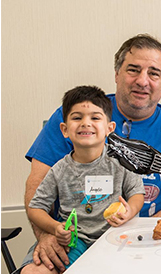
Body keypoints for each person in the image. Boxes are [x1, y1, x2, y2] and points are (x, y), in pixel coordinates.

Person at [22, 34, 161, 273]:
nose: (142, 81)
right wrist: (46, 234)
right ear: (117, 74)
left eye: (154, 73)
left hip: (144, 242)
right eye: (133, 70)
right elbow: (36, 183)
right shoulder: (75, 116)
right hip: (70, 238)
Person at [26, 86, 145, 272]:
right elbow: (35, 208)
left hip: (116, 238)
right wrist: (56, 227)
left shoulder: (121, 162)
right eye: (77, 117)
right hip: (75, 242)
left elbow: (137, 194)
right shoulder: (59, 170)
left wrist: (130, 211)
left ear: (109, 128)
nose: (86, 123)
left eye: (95, 117)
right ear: (64, 130)